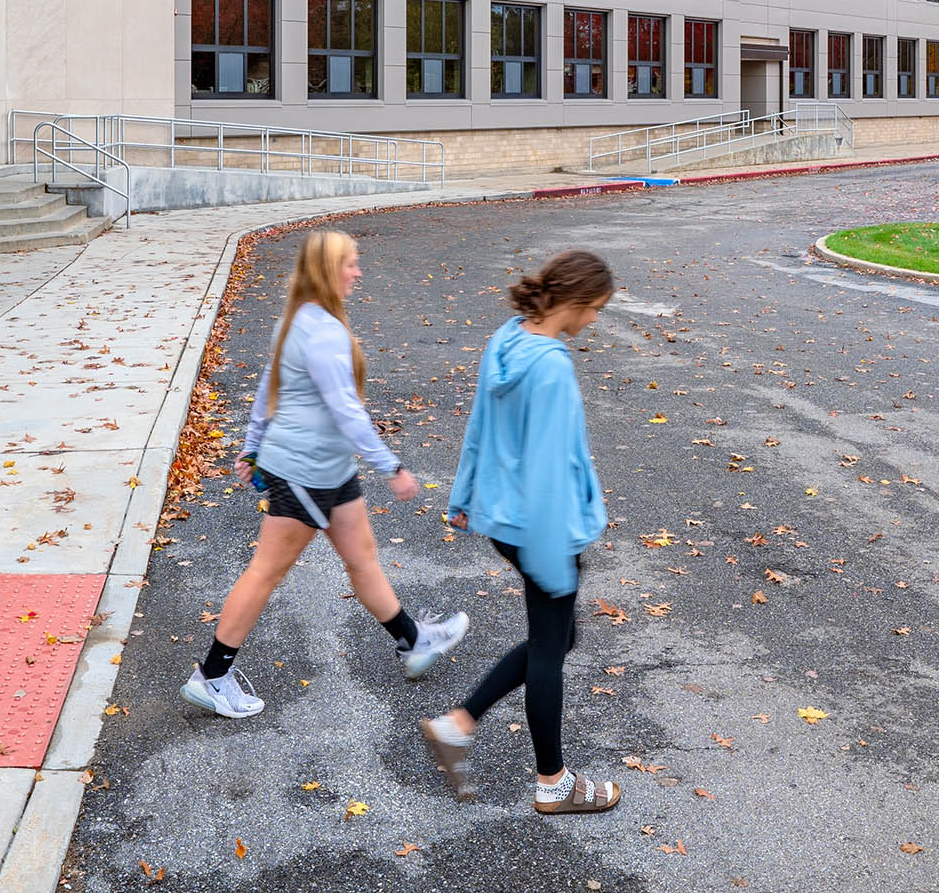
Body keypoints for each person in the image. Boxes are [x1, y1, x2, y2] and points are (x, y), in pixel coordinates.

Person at [182, 230, 468, 719]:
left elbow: (268, 393)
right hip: (304, 472)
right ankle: (211, 675)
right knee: (265, 572)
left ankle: (414, 640)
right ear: (327, 270)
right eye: (351, 264)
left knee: (362, 559)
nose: (357, 272)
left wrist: (252, 447)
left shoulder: (296, 322)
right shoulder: (322, 332)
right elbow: (347, 411)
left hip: (327, 468)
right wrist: (391, 466)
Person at [419, 249, 621, 814]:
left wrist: (463, 497)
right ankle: (553, 783)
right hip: (542, 528)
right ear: (575, 302)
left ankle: (459, 723)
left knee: (555, 639)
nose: (594, 322)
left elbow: (480, 425)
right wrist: (555, 559)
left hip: (506, 519)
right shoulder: (551, 365)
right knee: (551, 649)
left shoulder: (507, 339)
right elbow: (550, 468)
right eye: (596, 309)